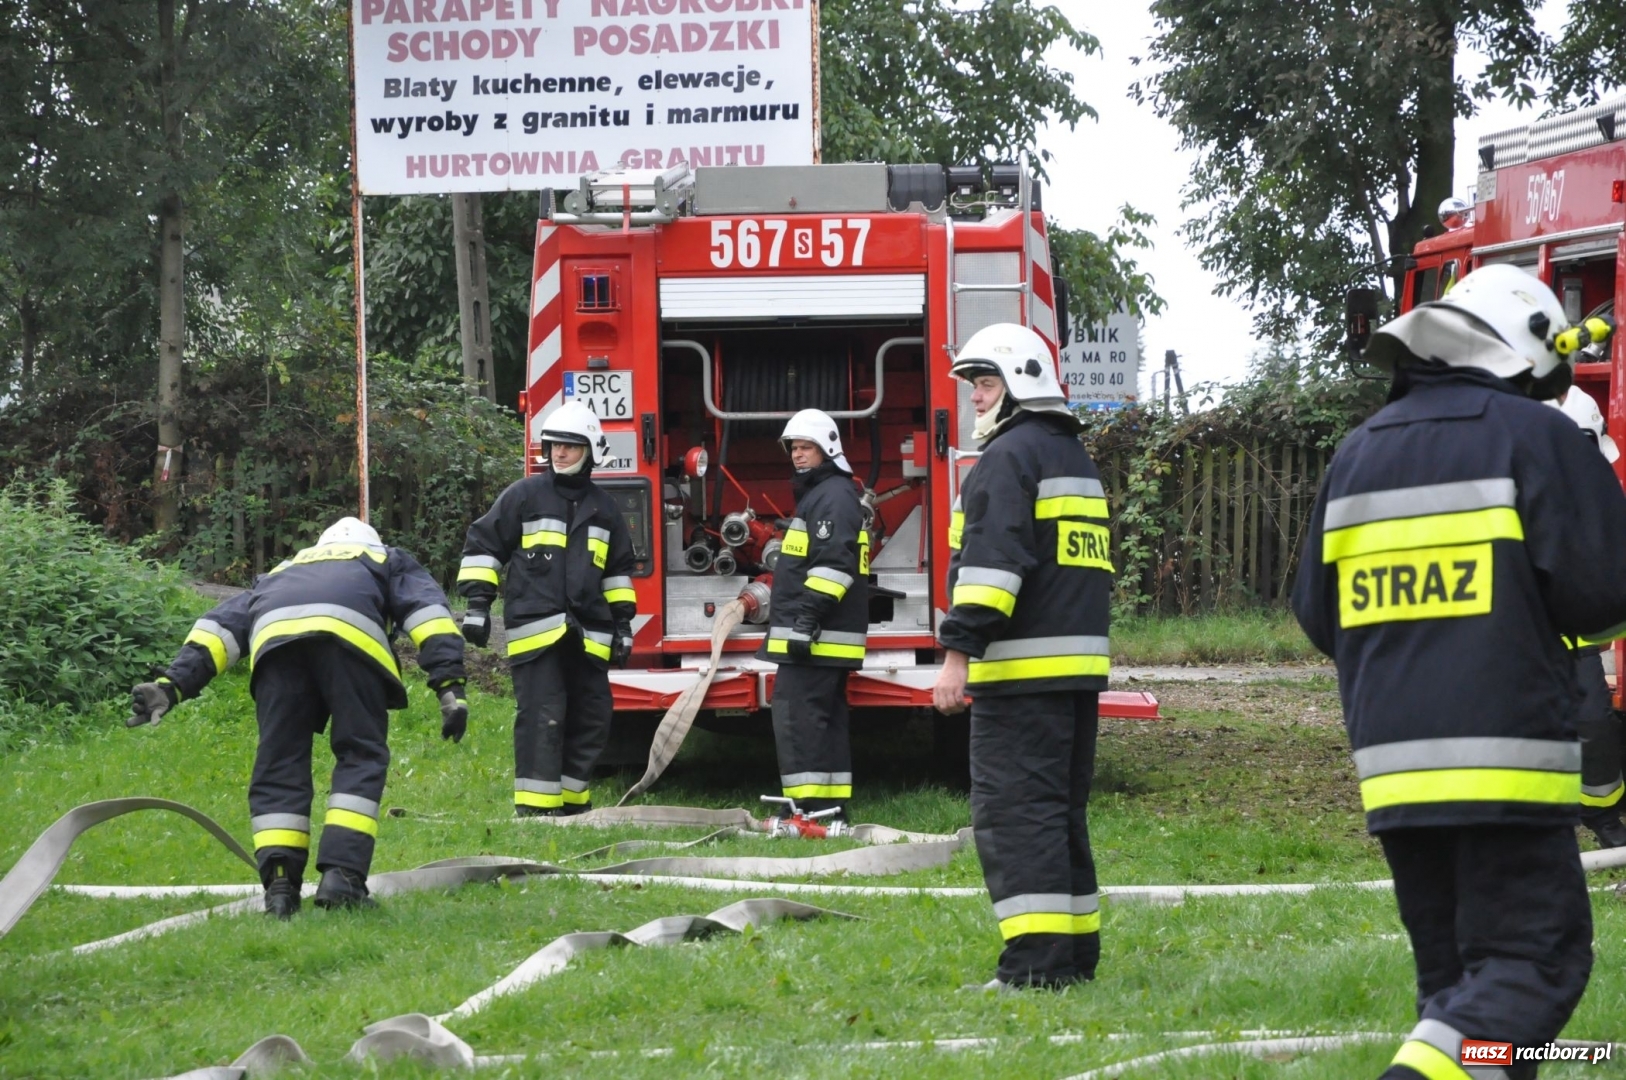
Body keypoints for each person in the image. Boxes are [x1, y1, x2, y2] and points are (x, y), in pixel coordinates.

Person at [1292, 264, 1626, 1079]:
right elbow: (1605, 596)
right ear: (1524, 351)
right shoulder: (1534, 436)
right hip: (1506, 766)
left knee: (1457, 990)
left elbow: (1318, 615)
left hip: (1394, 779)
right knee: (1531, 962)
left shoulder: (1357, 453)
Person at [127, 516, 468, 918]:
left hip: (276, 649)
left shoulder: (282, 571)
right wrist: (449, 686)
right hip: (352, 646)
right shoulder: (384, 558)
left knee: (280, 761)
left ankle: (280, 887)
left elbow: (218, 630)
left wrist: (171, 686)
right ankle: (343, 877)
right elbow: (428, 616)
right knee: (360, 755)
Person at [930, 322, 1113, 990]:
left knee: (1016, 819)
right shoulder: (1071, 456)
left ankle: (1034, 969)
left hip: (1019, 678)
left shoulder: (1007, 458)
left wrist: (957, 655)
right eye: (974, 386)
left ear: (1020, 385)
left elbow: (992, 570)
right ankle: (1073, 958)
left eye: (985, 384)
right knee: (1058, 816)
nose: (975, 398)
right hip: (1073, 677)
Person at [457, 401, 638, 817]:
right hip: (537, 632)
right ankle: (537, 810)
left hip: (590, 635)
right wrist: (478, 605)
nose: (560, 452)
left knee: (592, 718)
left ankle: (573, 805)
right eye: (555, 445)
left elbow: (616, 574)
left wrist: (623, 626)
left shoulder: (605, 510)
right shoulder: (523, 496)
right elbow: (484, 547)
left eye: (570, 446)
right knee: (544, 715)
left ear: (591, 451)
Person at [757, 408, 869, 819]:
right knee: (822, 720)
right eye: (794, 448)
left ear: (828, 449)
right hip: (823, 634)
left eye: (807, 447)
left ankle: (806, 808)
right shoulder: (826, 494)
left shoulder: (831, 496)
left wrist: (806, 621)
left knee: (798, 718)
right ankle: (829, 808)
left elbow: (833, 566)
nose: (799, 455)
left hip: (817, 634)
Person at [1549, 388, 1626, 848]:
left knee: (1595, 726)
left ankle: (1602, 817)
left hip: (1576, 643)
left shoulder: (1594, 505)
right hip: (1513, 642)